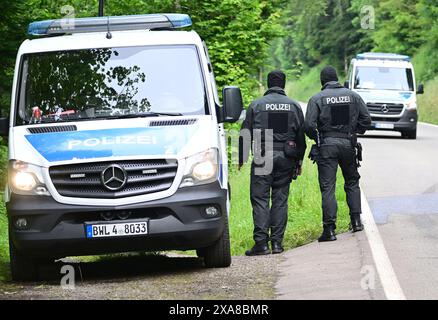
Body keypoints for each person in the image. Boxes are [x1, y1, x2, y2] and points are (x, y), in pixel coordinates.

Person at [240, 70, 306, 255]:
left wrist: (242, 159)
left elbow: (245, 133)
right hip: (286, 156)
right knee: (280, 199)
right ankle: (277, 243)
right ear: (283, 84)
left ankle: (261, 244)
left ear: (268, 84)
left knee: (260, 198)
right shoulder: (294, 106)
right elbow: (301, 136)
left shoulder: (256, 105)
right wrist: (299, 160)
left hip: (263, 154)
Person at [304, 66, 371, 242]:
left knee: (328, 187)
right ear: (337, 78)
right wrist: (354, 132)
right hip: (348, 144)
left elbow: (309, 126)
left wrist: (317, 138)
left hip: (326, 146)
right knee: (352, 182)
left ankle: (329, 230)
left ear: (322, 81)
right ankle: (356, 221)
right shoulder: (353, 96)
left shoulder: (316, 99)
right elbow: (367, 120)